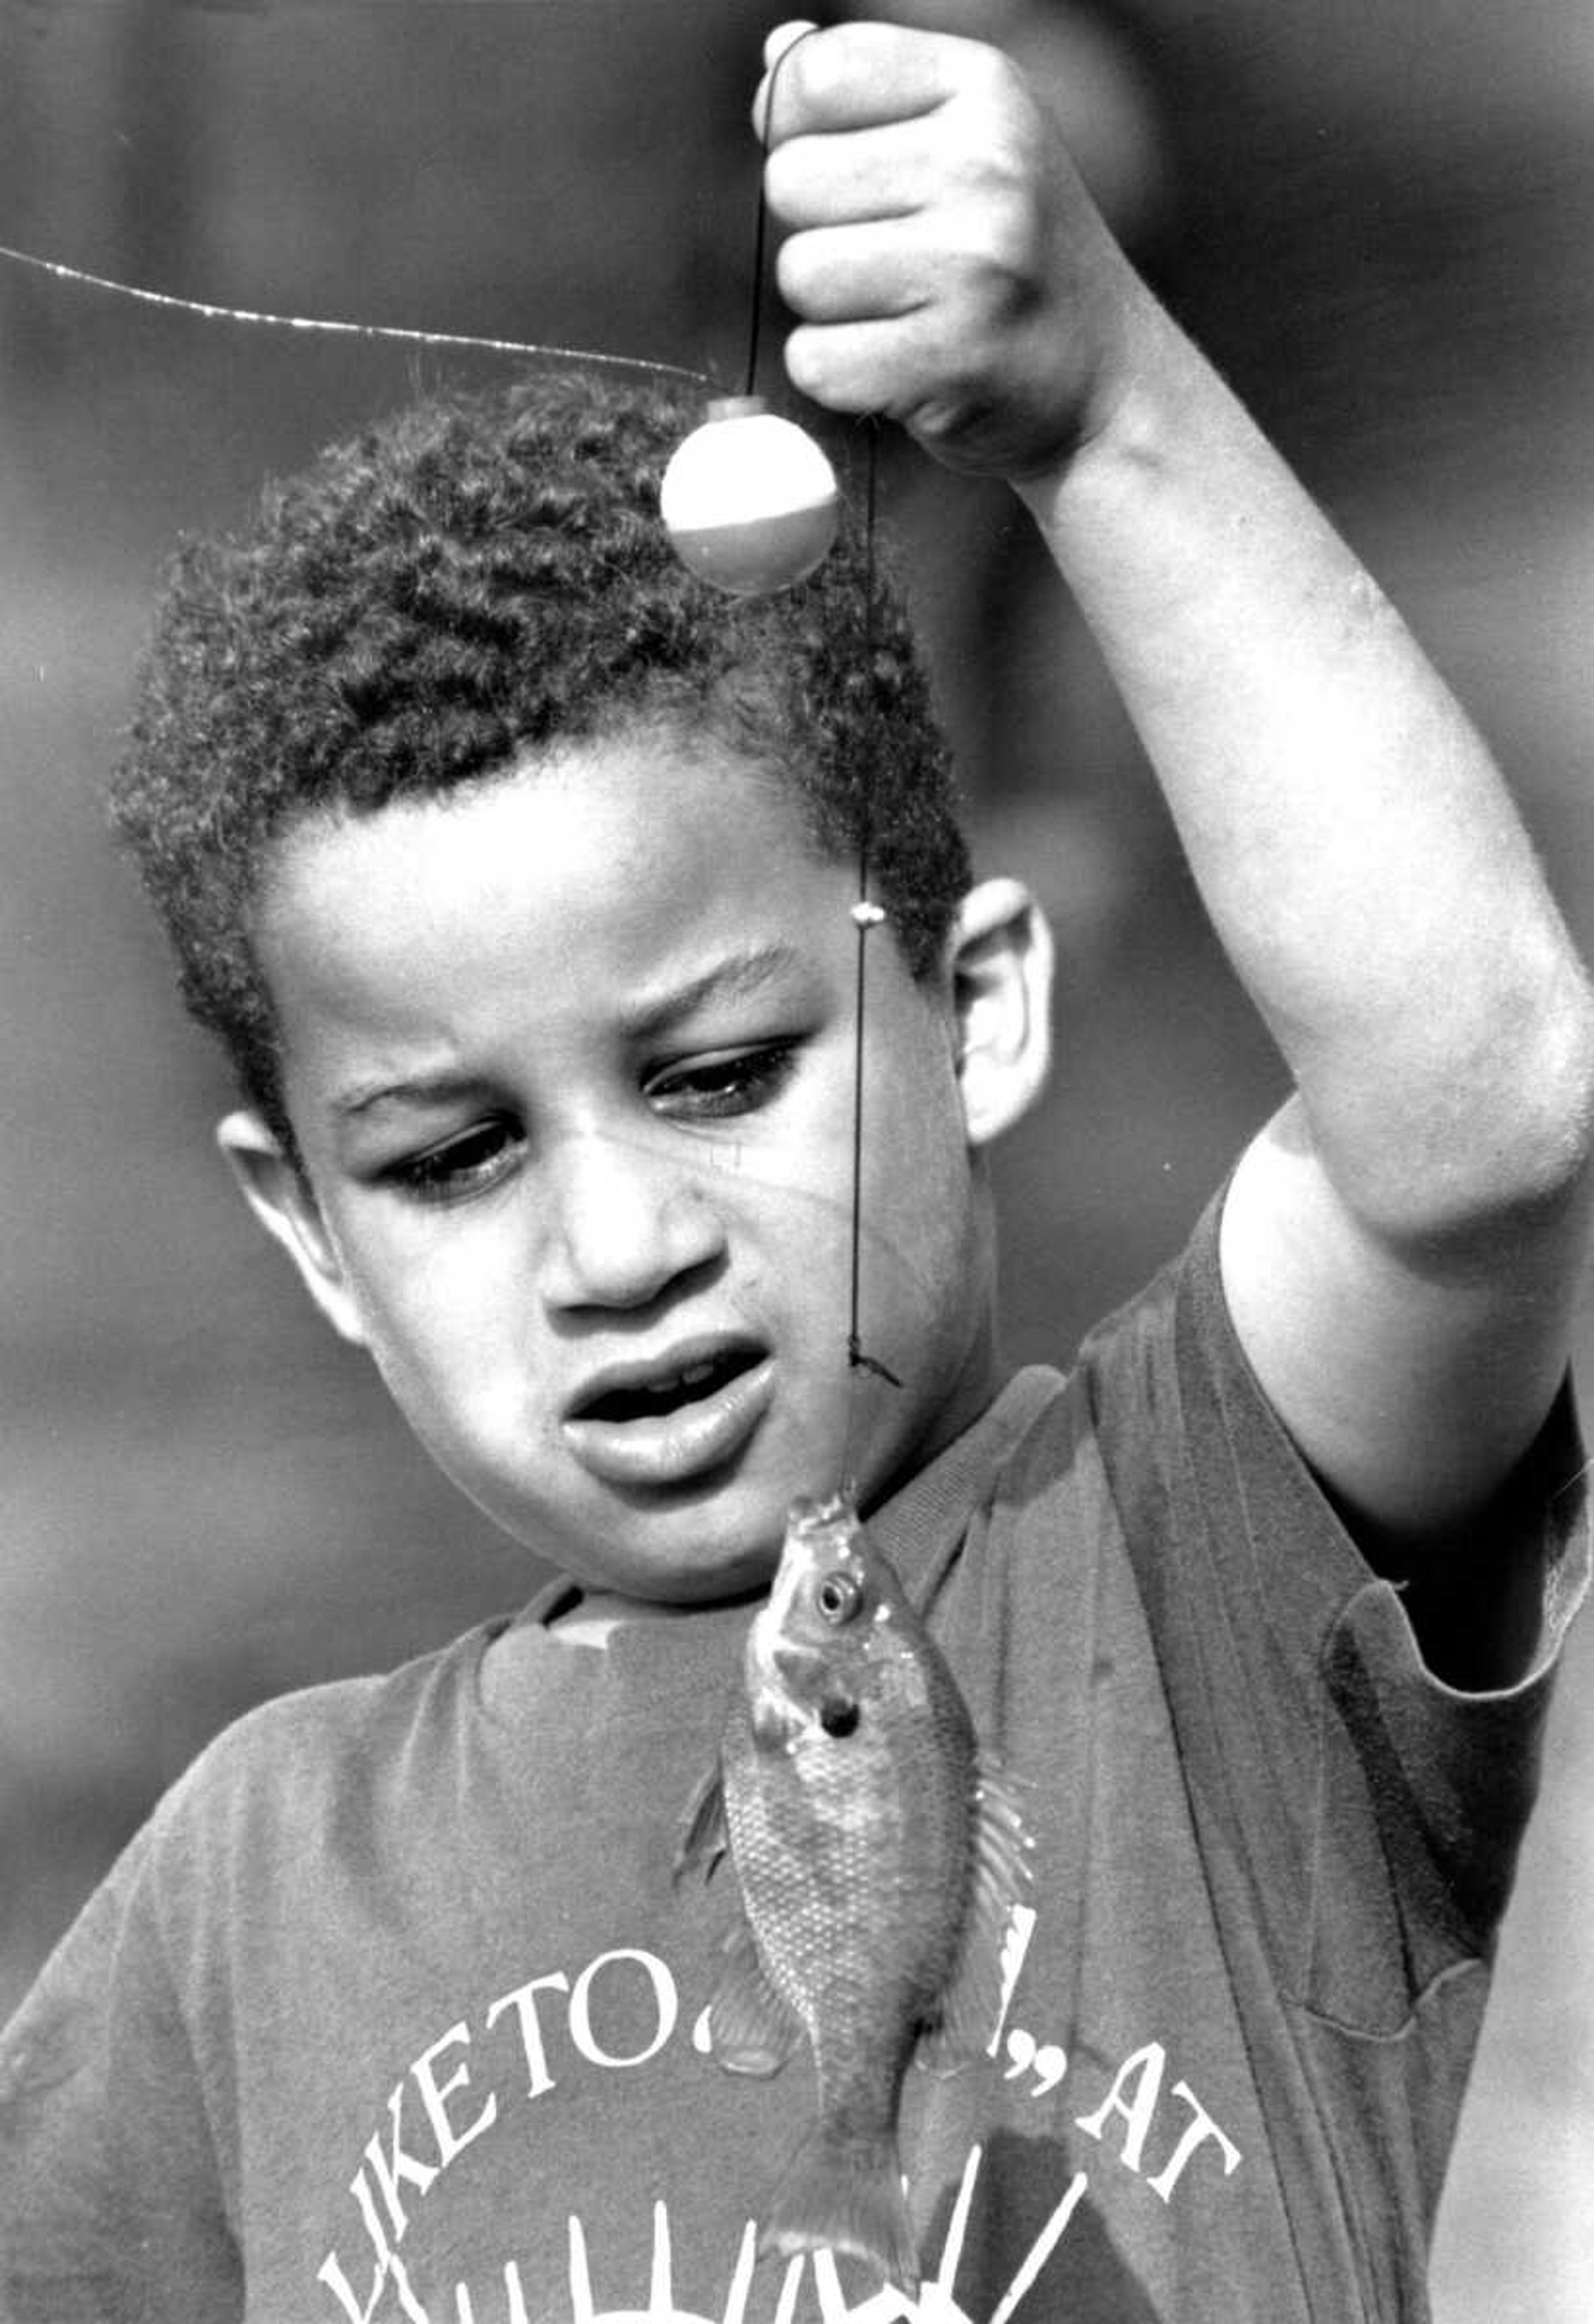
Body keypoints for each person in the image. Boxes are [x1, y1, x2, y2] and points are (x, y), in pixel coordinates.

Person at [2, 18, 1590, 2322]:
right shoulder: (248, 1883)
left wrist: (1110, 410)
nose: (624, 1249)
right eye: (452, 1154)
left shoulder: (1196, 1575)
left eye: (728, 1071)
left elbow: (1482, 1122)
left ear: (981, 1009)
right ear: (310, 1234)